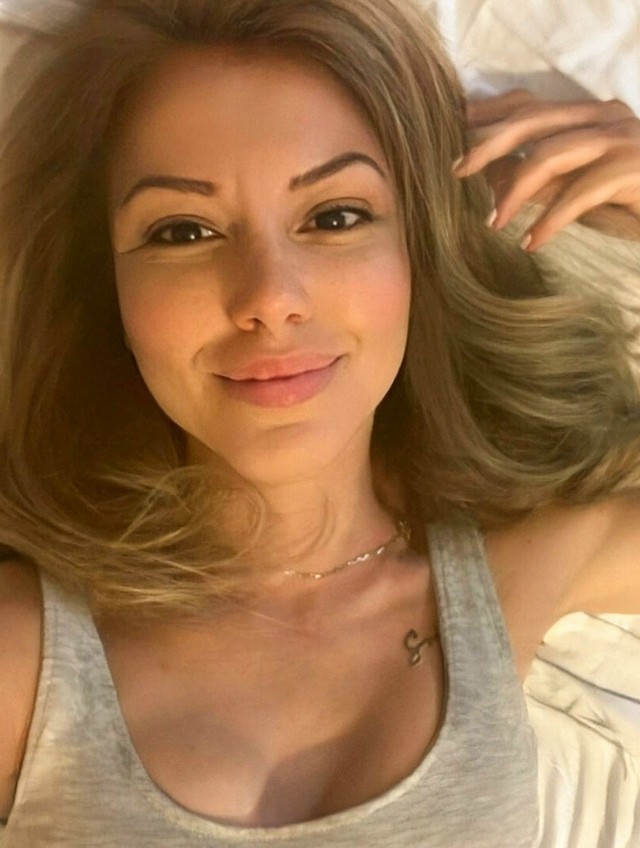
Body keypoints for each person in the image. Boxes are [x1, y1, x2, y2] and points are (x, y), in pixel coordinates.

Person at [0, 0, 639, 845]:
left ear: (419, 250)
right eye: (182, 231)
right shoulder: (26, 650)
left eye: (335, 217)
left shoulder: (518, 567)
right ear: (104, 286)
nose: (270, 297)